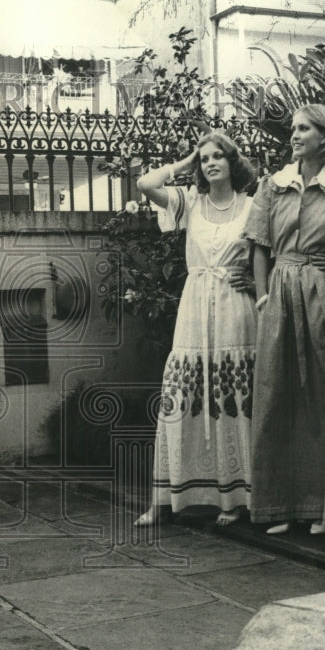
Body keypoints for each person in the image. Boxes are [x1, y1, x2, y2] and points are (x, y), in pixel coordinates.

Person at [134, 132, 258, 527]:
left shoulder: (254, 207)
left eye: (218, 156)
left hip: (235, 308)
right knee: (184, 391)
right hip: (195, 305)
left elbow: (265, 258)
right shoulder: (190, 202)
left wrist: (257, 285)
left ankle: (233, 498)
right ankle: (167, 498)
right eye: (205, 159)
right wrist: (185, 161)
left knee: (232, 396)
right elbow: (145, 184)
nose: (211, 163)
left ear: (233, 161)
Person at [242, 104, 325, 535]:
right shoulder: (274, 185)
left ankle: (321, 509)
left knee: (322, 398)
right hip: (280, 292)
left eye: (304, 128)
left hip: (321, 291)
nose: (294, 135)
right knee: (276, 394)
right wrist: (262, 296)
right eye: (293, 128)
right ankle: (280, 506)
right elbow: (259, 246)